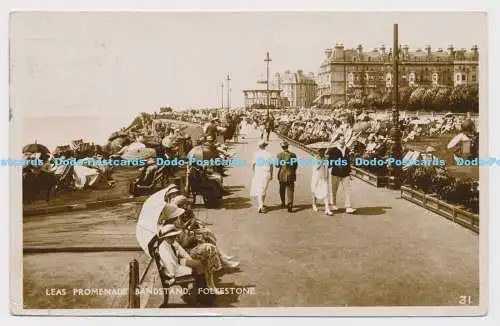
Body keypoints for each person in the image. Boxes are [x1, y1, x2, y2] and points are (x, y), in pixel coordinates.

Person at [327, 134, 356, 214]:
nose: (344, 141)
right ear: (338, 140)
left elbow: (348, 161)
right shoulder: (333, 149)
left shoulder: (347, 149)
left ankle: (348, 207)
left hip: (345, 173)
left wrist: (349, 171)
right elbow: (330, 159)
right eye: (342, 139)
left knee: (347, 190)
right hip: (336, 172)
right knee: (334, 190)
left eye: (344, 139)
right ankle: (333, 204)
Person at [250, 140, 273, 213]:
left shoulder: (256, 154)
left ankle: (261, 204)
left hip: (258, 173)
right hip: (266, 173)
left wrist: (254, 171)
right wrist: (271, 174)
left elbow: (253, 164)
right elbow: (271, 165)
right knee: (263, 189)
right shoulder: (268, 154)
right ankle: (261, 205)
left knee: (259, 189)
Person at [276, 141, 298, 212]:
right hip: (291, 174)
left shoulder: (279, 155)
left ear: (282, 147)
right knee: (290, 189)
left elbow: (277, 165)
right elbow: (295, 165)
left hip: (282, 174)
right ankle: (290, 204)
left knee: (282, 189)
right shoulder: (293, 155)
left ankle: (283, 203)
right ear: (288, 147)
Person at [311, 148, 333, 215]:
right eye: (321, 151)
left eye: (324, 151)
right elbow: (317, 167)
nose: (323, 152)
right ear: (318, 151)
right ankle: (314, 204)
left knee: (325, 192)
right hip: (316, 177)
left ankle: (327, 209)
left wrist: (327, 176)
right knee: (315, 190)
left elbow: (327, 167)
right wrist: (322, 161)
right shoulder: (315, 158)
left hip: (323, 177)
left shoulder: (325, 158)